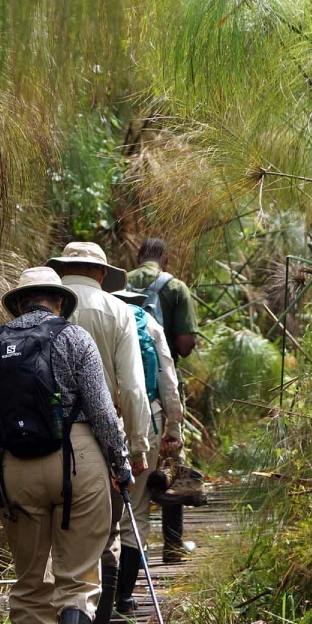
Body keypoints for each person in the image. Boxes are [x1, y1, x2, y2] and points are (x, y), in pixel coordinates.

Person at [0, 267, 133, 624]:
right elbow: (101, 410)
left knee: (29, 582)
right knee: (78, 576)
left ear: (20, 302)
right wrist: (121, 466)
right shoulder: (76, 339)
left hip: (16, 468)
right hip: (78, 462)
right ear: (58, 301)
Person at [45, 242, 150, 624]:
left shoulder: (45, 309)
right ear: (101, 274)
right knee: (103, 541)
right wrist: (137, 448)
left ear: (64, 271)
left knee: (53, 547)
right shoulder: (118, 311)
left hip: (37, 440)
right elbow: (133, 389)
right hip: (99, 442)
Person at [126, 237, 202, 563]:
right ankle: (172, 547)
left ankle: (121, 549)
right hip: (163, 389)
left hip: (123, 388)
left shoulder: (121, 283)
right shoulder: (176, 288)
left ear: (139, 257)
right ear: (165, 260)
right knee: (172, 463)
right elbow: (185, 344)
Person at [111, 289, 183, 615]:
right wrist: (174, 428)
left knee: (98, 509)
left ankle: (94, 598)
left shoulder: (92, 315)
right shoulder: (149, 324)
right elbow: (168, 379)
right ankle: (123, 597)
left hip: (97, 419)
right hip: (147, 419)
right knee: (136, 509)